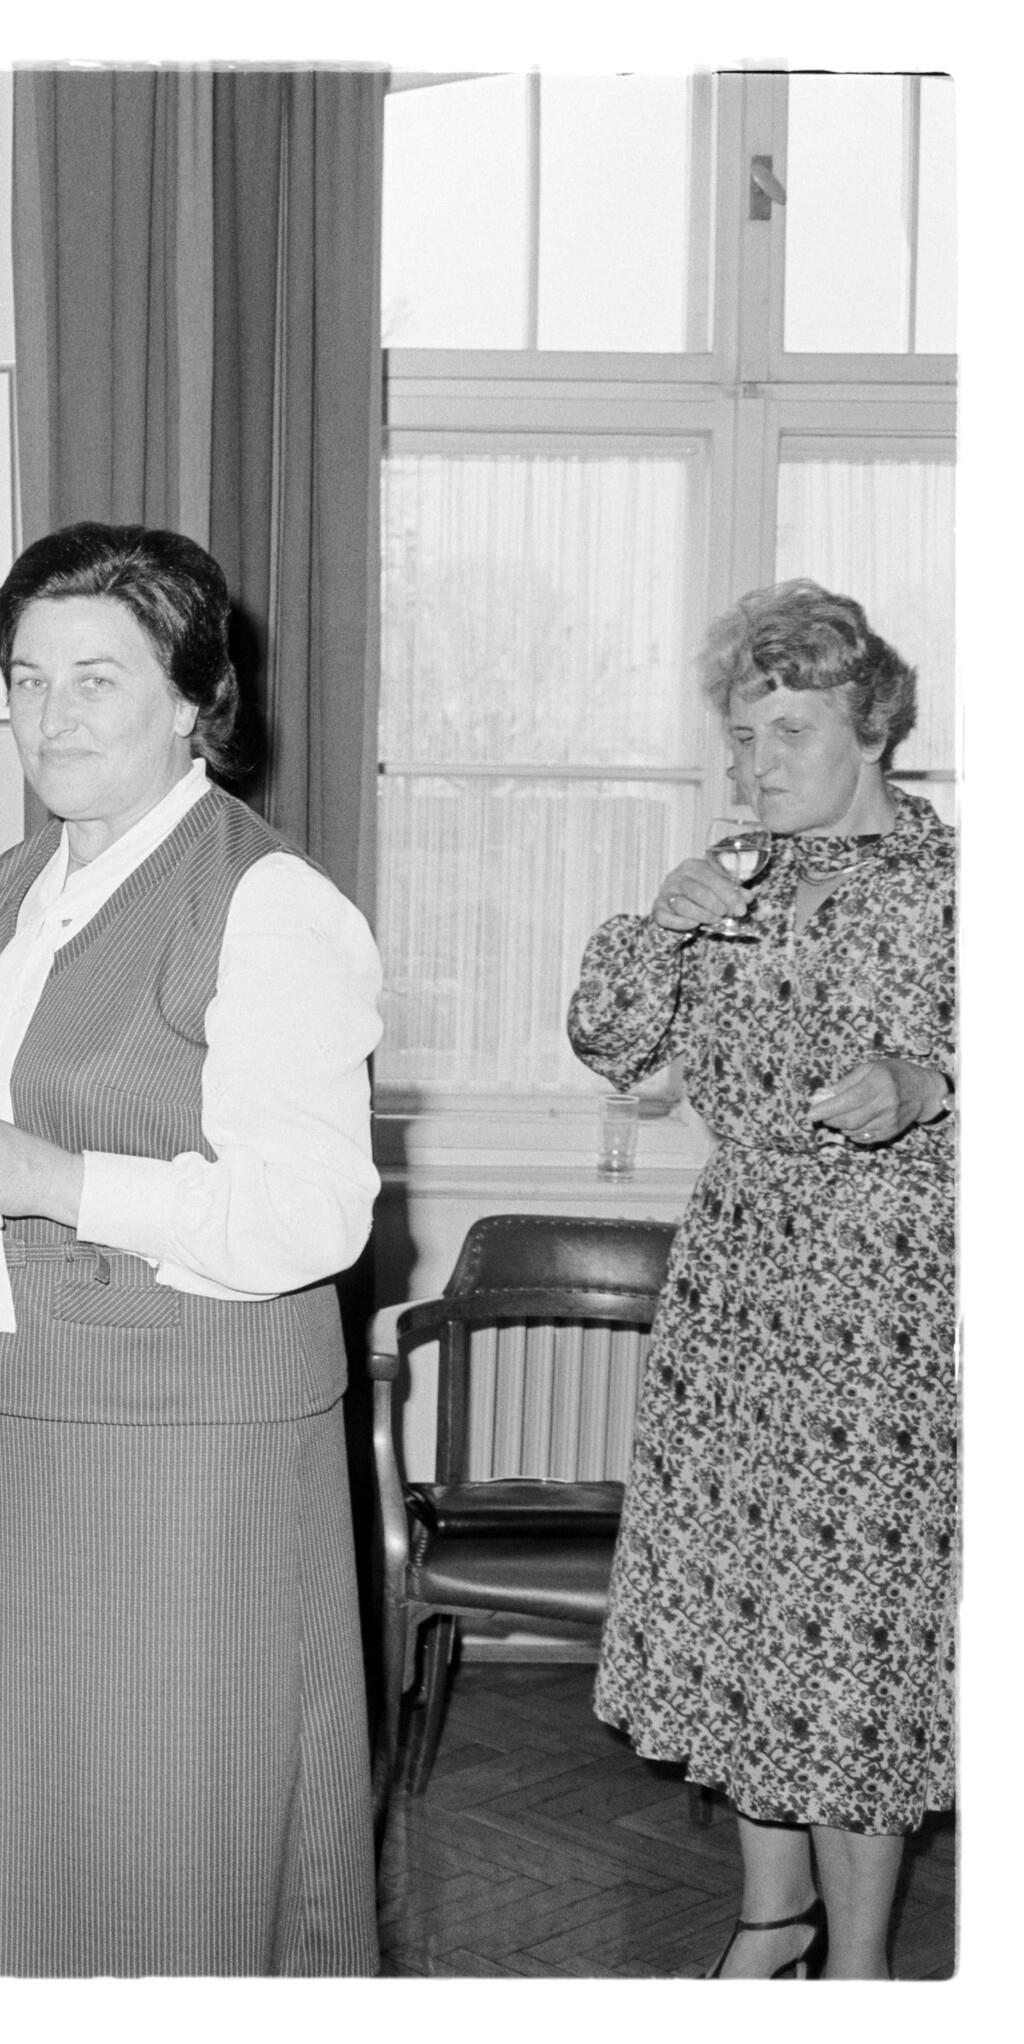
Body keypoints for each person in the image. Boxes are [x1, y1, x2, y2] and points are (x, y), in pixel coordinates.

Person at [0, 522, 382, 1976]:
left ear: (194, 697)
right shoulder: (15, 883)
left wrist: (48, 1176)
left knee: (163, 1861)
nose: (53, 716)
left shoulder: (267, 900)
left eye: (98, 678)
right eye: (27, 681)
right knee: (43, 1856)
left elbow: (311, 1214)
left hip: (183, 1452)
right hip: (13, 1420)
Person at [570, 580, 956, 1980]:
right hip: (735, 1292)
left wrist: (933, 1083)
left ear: (874, 727)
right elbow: (610, 1043)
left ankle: (858, 1973)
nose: (756, 763)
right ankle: (772, 1922)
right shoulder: (735, 883)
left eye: (790, 731)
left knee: (850, 1642)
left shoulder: (965, 889)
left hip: (885, 1302)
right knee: (745, 1622)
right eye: (742, 735)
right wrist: (663, 926)